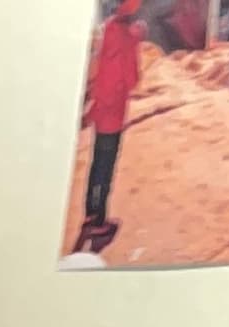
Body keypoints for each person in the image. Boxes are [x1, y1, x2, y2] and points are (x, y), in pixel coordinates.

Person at [73, 0, 145, 256]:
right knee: (106, 167)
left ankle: (90, 214)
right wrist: (136, 41)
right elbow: (132, 79)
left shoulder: (108, 28)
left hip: (101, 109)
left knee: (96, 165)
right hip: (113, 112)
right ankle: (99, 222)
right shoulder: (126, 36)